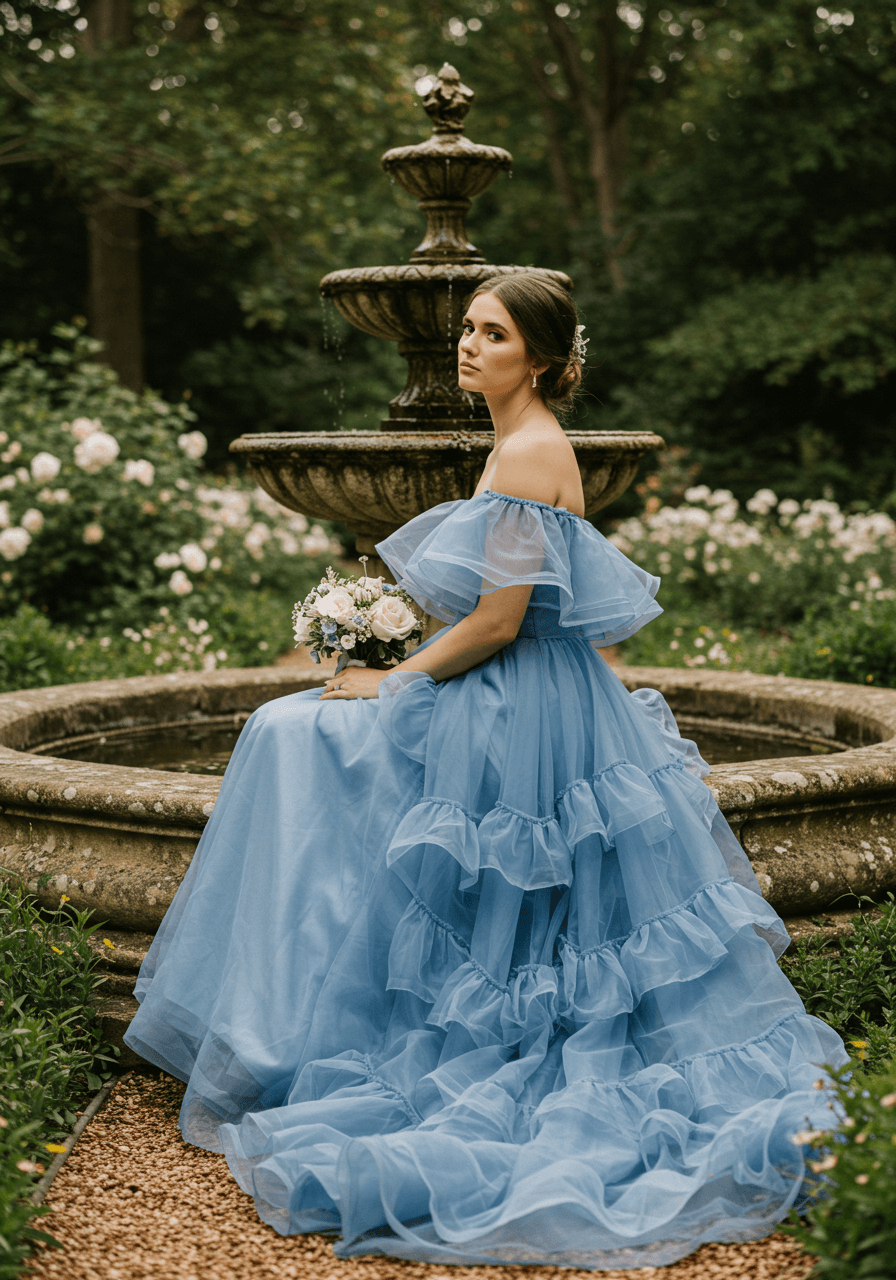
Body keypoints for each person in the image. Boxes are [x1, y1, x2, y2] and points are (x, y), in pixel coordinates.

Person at [125, 273, 847, 1270]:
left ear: (541, 358)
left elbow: (500, 621)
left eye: (491, 332)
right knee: (328, 756)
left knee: (312, 747)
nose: (467, 345)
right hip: (544, 689)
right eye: (465, 327)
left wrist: (395, 678)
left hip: (522, 699)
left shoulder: (528, 451)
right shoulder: (523, 443)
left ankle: (302, 1015)